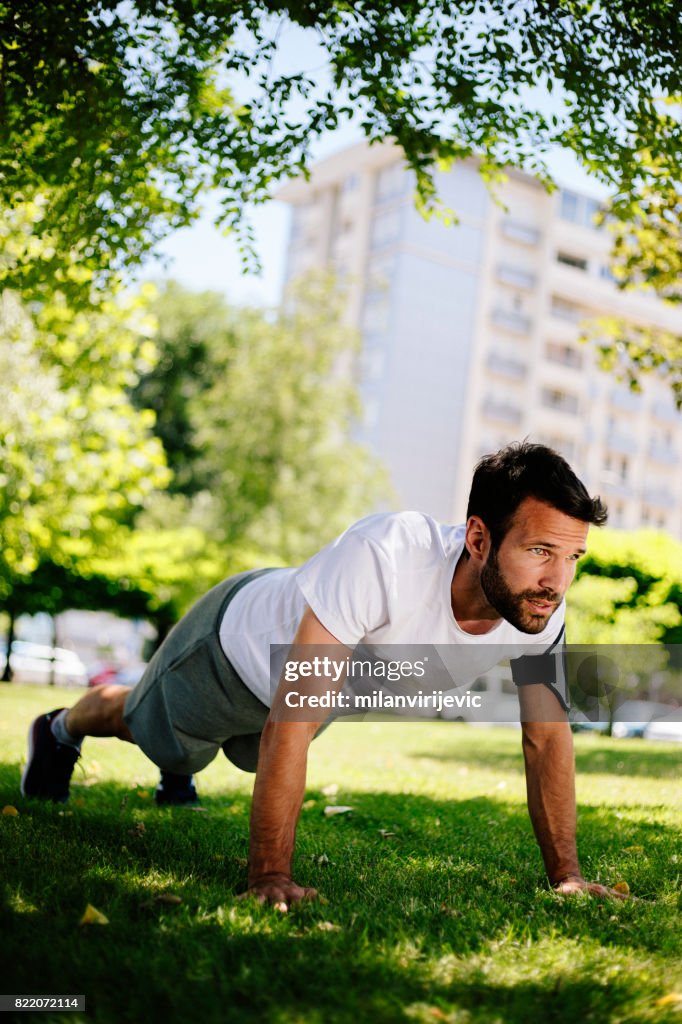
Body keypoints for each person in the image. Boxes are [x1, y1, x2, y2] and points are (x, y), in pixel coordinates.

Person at [21, 442, 628, 908]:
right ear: (478, 538)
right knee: (160, 738)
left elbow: (546, 737)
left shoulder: (539, 605)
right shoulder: (386, 554)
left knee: (244, 756)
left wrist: (567, 877)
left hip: (311, 694)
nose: (557, 579)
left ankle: (177, 763)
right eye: (540, 551)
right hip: (236, 649)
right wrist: (270, 877)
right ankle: (60, 728)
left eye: (572, 556)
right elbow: (291, 715)